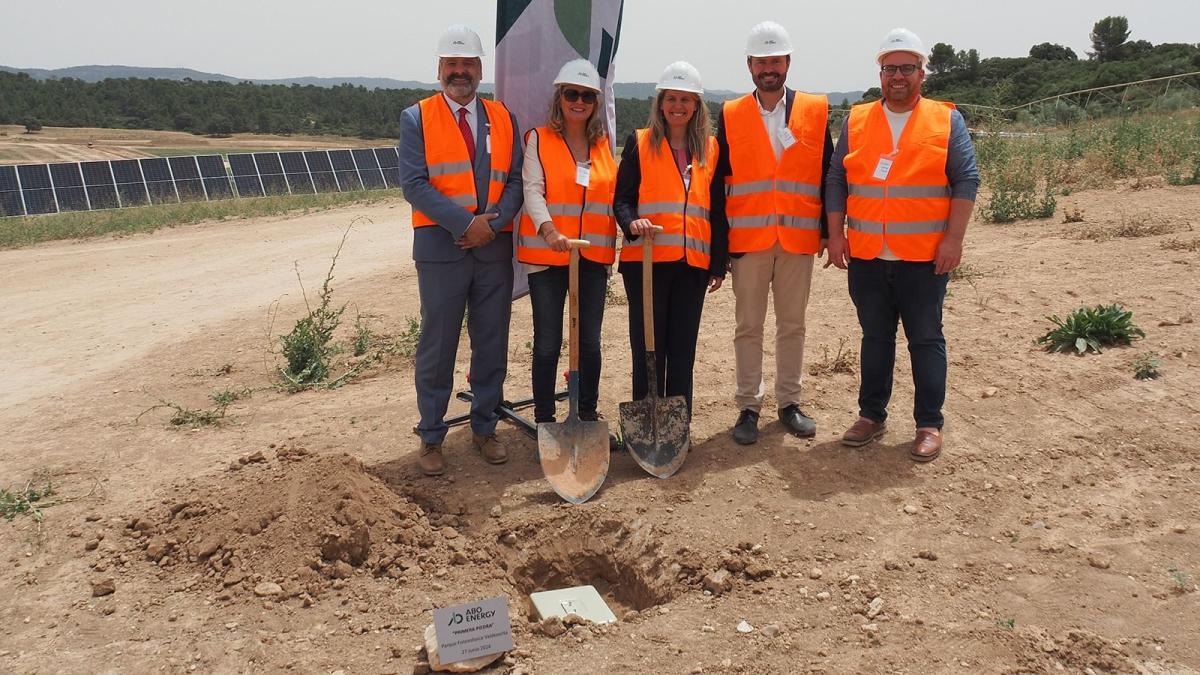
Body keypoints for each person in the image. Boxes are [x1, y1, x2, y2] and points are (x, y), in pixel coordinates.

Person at [824, 28, 980, 462]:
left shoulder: (946, 119)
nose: (898, 75)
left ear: (921, 73)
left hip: (924, 256)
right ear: (880, 73)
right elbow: (837, 178)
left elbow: (966, 178)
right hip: (869, 254)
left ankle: (929, 423)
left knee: (926, 339)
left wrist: (954, 239)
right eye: (890, 68)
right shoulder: (856, 120)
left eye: (906, 68)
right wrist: (836, 234)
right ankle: (871, 415)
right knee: (875, 338)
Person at [398, 25, 524, 476]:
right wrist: (466, 224)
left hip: (492, 248)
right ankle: (431, 435)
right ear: (439, 70)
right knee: (438, 344)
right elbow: (413, 184)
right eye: (452, 65)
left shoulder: (502, 118)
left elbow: (514, 182)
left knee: (491, 342)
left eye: (467, 64)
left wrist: (491, 225)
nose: (460, 72)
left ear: (479, 69)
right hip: (442, 248)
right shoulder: (417, 118)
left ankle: (484, 428)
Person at [715, 21, 833, 445]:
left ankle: (789, 403)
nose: (769, 68)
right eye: (761, 61)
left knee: (792, 325)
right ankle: (748, 405)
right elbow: (718, 182)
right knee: (748, 326)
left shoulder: (815, 110)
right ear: (749, 65)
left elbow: (827, 173)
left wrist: (826, 231)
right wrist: (720, 243)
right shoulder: (730, 114)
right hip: (748, 241)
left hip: (798, 239)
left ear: (787, 63)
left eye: (775, 60)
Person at [614, 61, 727, 416]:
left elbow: (718, 211)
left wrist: (718, 262)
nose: (678, 106)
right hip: (646, 266)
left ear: (696, 106)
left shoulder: (711, 149)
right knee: (648, 348)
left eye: (686, 100)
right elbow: (622, 199)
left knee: (681, 351)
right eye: (672, 98)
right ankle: (646, 420)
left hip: (692, 266)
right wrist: (632, 223)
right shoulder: (639, 141)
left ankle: (678, 423)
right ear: (660, 103)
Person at [516, 59, 617, 425]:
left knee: (589, 340)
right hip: (548, 256)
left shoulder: (603, 145)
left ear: (594, 102)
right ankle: (545, 419)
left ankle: (587, 414)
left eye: (587, 96)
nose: (579, 101)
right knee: (547, 341)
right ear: (560, 98)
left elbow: (611, 195)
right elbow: (533, 190)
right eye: (571, 94)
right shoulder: (538, 139)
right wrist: (549, 231)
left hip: (591, 256)